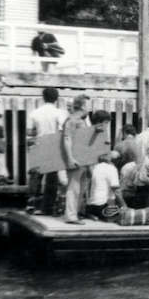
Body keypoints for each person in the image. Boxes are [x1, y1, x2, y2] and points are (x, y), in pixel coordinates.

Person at [26, 87, 68, 214]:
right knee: (52, 178)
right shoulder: (59, 113)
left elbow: (29, 132)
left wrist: (39, 131)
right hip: (53, 144)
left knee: (36, 176)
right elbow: (63, 130)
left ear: (43, 97)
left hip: (39, 143)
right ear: (56, 98)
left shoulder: (34, 113)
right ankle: (48, 207)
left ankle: (32, 204)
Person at [61, 94, 92, 225]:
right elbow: (67, 139)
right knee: (74, 187)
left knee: (81, 187)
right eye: (89, 104)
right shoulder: (72, 120)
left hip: (82, 158)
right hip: (76, 158)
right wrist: (70, 158)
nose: (90, 107)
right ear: (83, 105)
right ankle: (71, 216)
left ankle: (75, 213)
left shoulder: (82, 119)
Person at [84, 121, 124, 221]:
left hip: (90, 206)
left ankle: (91, 215)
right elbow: (117, 192)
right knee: (121, 212)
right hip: (102, 206)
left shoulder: (97, 167)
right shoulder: (112, 169)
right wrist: (125, 206)